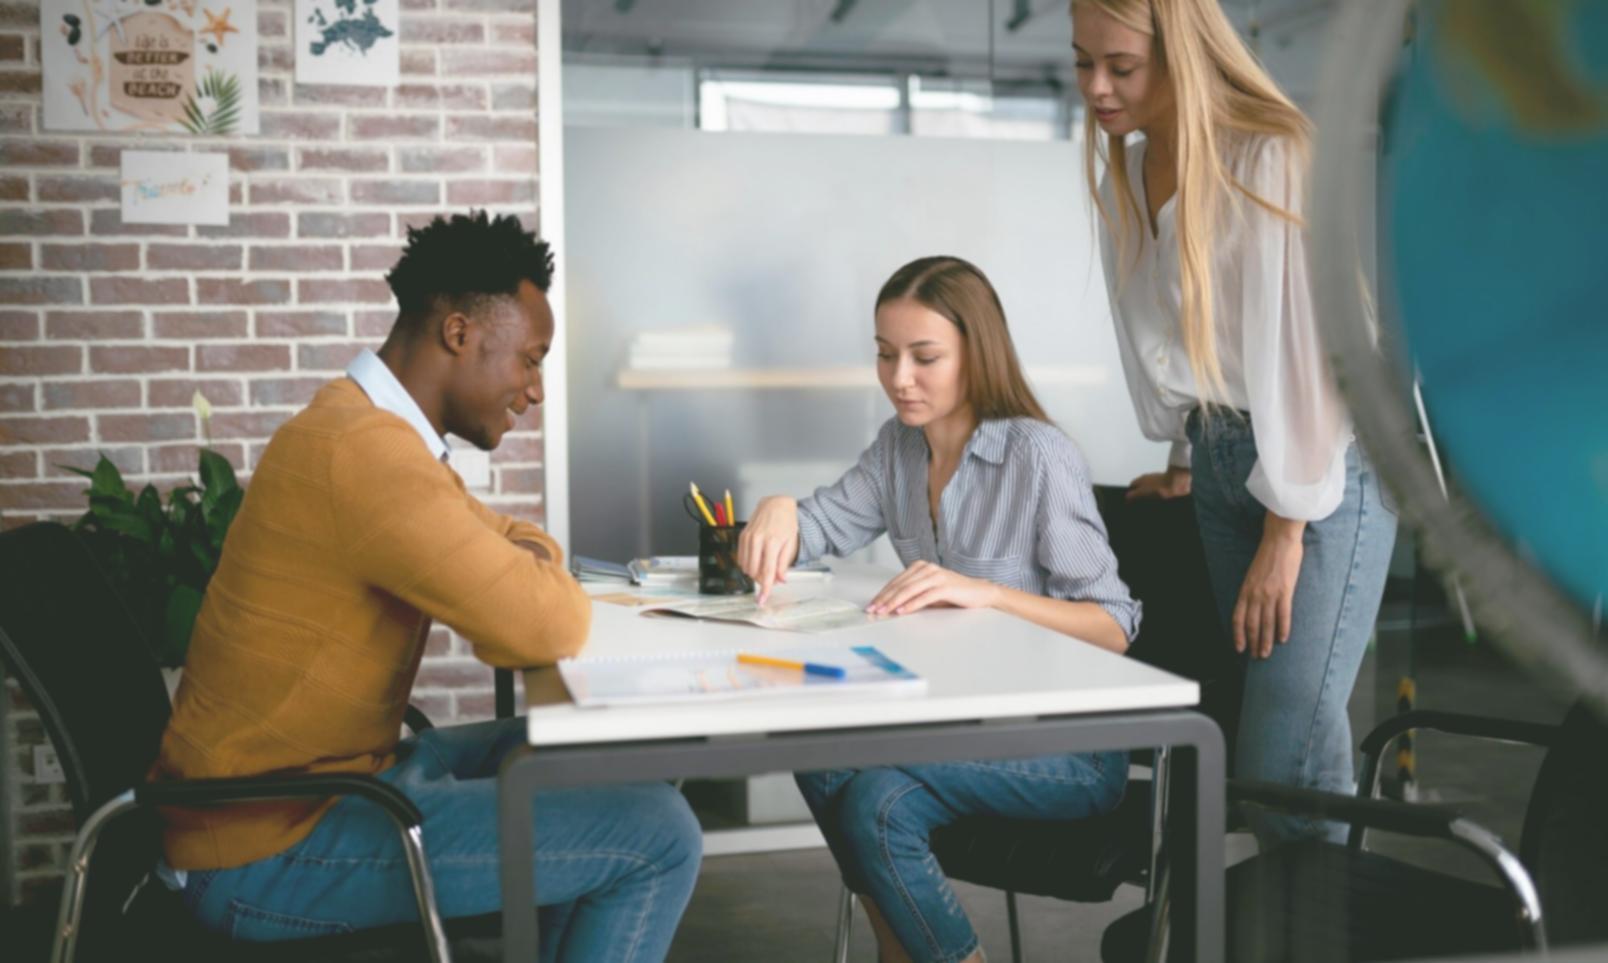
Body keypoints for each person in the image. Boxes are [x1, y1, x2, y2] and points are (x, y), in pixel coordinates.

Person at [149, 211, 702, 961]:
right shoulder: (363, 453)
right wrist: (535, 570)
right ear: (459, 333)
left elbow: (504, 537)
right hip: (268, 846)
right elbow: (541, 623)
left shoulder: (368, 432)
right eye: (530, 359)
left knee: (599, 752)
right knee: (660, 833)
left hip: (333, 785)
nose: (535, 389)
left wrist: (529, 557)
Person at [738, 256, 1141, 963]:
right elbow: (820, 525)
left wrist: (985, 593)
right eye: (886, 354)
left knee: (878, 801)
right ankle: (909, 948)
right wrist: (777, 508)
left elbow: (1112, 625)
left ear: (975, 354)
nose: (900, 378)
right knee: (818, 755)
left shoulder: (1038, 456)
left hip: (1067, 750)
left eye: (924, 357)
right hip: (963, 724)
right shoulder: (898, 448)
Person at [1071, 0, 1398, 842]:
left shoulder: (1268, 152)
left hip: (1319, 472)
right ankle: (1316, 923)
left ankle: (1314, 926)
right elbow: (1191, 339)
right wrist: (1187, 455)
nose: (1097, 88)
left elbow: (1310, 359)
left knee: (1278, 760)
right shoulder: (1132, 171)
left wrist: (1287, 529)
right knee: (1286, 748)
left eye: (1120, 65)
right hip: (1222, 463)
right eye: (1082, 63)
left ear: (1179, 53)